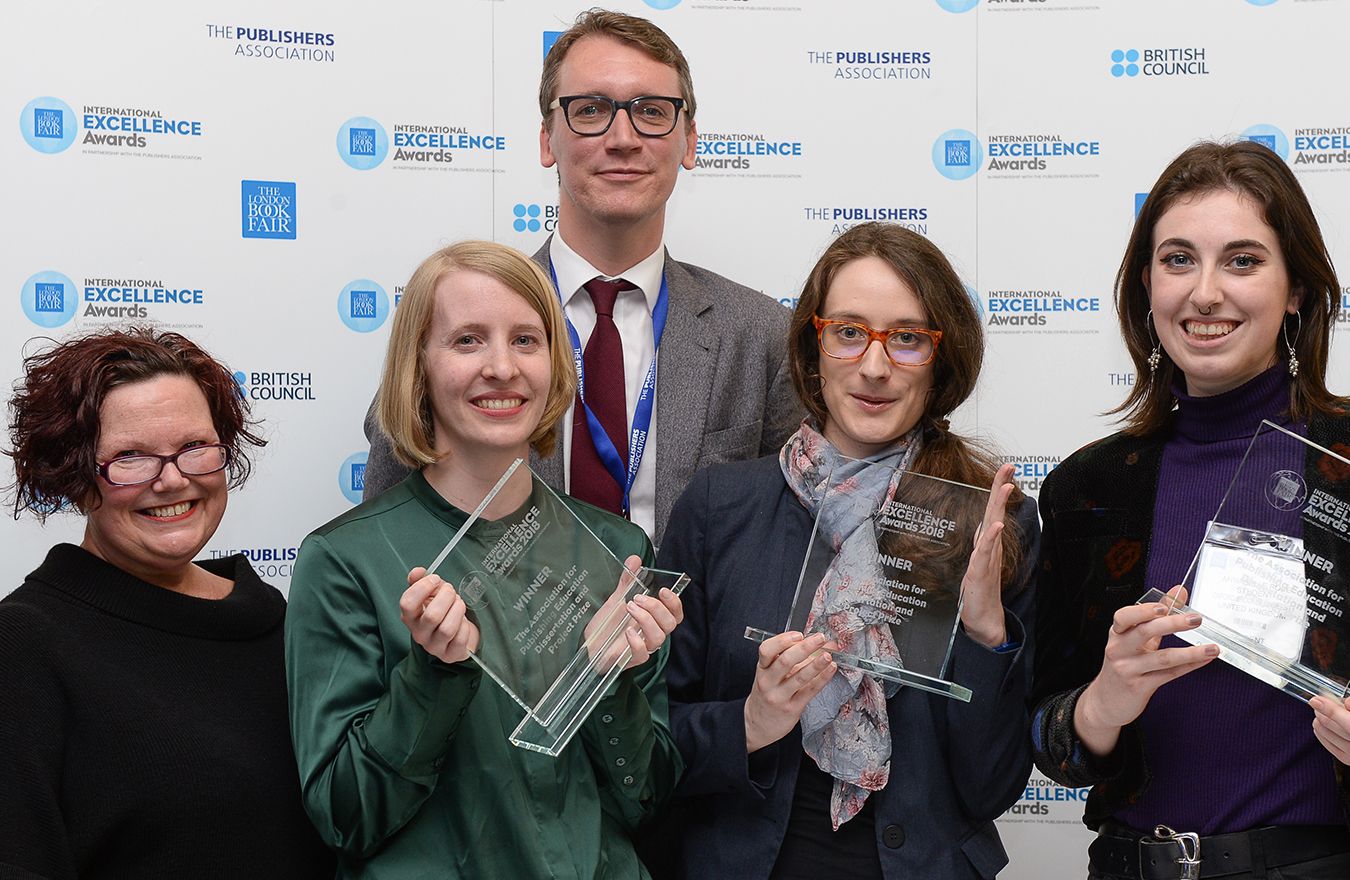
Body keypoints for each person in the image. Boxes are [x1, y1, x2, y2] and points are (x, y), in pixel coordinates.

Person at [286, 240, 685, 879]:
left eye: (526, 340)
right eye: (468, 340)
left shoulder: (620, 553)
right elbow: (345, 816)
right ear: (418, 367)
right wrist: (431, 675)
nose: (501, 367)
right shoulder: (344, 562)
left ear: (557, 365)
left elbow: (647, 803)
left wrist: (605, 680)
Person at [659, 222, 1038, 879]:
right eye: (849, 331)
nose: (874, 365)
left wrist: (984, 633)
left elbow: (989, 788)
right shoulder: (722, 508)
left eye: (909, 338)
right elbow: (649, 743)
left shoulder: (988, 524)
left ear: (941, 358)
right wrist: (749, 722)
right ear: (814, 348)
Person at [359, 9, 801, 546]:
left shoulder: (763, 337)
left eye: (652, 112)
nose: (623, 138)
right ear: (547, 141)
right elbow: (381, 547)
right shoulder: (453, 326)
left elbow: (788, 553)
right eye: (590, 110)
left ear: (688, 141)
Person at [1032, 140, 1350, 879]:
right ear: (1147, 285)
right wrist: (1102, 704)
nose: (1205, 292)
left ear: (1296, 289)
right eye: (1178, 260)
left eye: (1242, 261)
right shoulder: (1089, 487)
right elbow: (1049, 745)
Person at [0, 327, 332, 880]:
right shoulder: (24, 646)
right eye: (130, 456)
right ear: (77, 476)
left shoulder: (273, 619)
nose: (172, 480)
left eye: (194, 448)